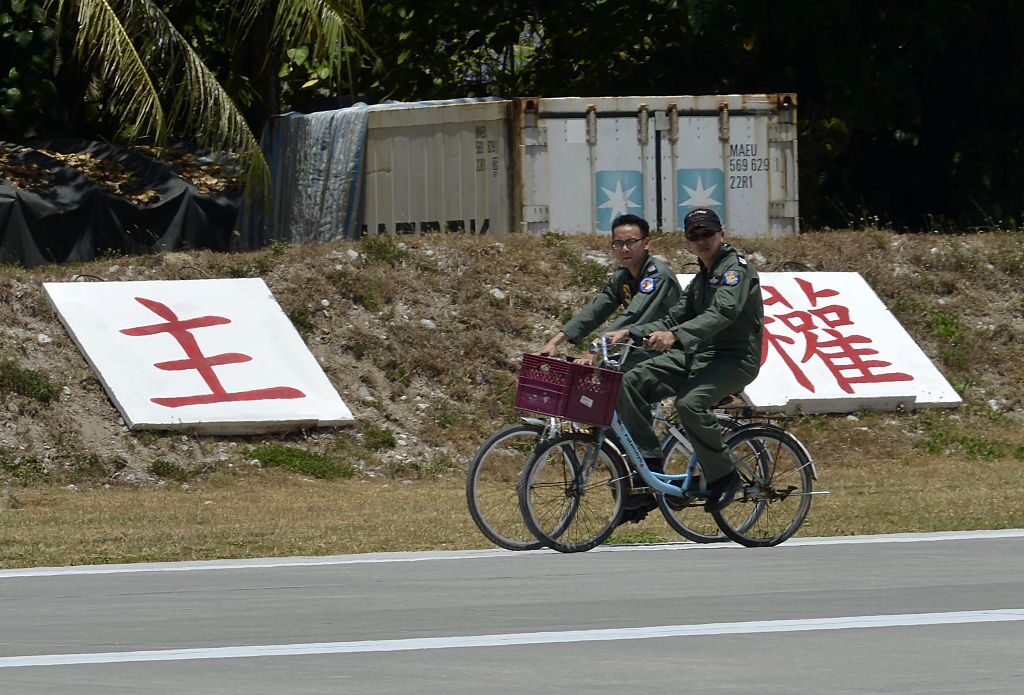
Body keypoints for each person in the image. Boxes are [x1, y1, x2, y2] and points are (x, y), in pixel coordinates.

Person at [606, 207, 764, 512]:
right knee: (630, 382)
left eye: (707, 233)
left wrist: (676, 337)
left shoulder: (735, 270)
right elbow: (674, 315)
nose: (702, 240)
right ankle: (651, 466)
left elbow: (723, 313)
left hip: (734, 359)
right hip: (701, 355)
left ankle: (724, 476)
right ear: (688, 241)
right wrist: (629, 332)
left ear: (722, 234)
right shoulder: (702, 276)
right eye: (695, 235)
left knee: (689, 404)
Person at [537, 214, 681, 370]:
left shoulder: (656, 276)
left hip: (674, 348)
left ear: (646, 243)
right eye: (618, 243)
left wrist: (596, 347)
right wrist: (554, 342)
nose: (624, 249)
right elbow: (595, 310)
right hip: (646, 347)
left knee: (609, 369)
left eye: (631, 242)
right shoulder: (623, 275)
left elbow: (634, 315)